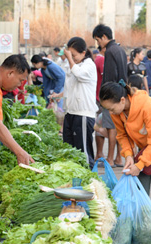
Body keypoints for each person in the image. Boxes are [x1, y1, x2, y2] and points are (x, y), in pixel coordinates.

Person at [99, 81, 151, 223]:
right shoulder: (117, 111)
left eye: (111, 109)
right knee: (141, 182)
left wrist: (140, 164)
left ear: (122, 100)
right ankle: (142, 223)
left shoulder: (147, 106)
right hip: (146, 145)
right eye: (108, 110)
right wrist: (129, 155)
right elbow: (122, 135)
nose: (110, 113)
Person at [51, 37, 97, 168]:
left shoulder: (89, 65)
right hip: (70, 112)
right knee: (70, 150)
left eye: (74, 55)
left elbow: (79, 74)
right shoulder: (75, 64)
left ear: (83, 53)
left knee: (83, 152)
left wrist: (70, 59)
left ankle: (89, 180)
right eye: (70, 54)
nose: (72, 58)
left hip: (83, 114)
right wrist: (59, 95)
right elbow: (70, 86)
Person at [92, 23, 126, 167]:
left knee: (112, 127)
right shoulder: (120, 49)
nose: (98, 43)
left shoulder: (110, 51)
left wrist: (107, 96)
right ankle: (118, 158)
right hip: (122, 93)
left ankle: (110, 159)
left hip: (112, 95)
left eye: (98, 40)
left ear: (104, 37)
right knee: (120, 127)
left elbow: (110, 76)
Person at [94, 46, 109, 161]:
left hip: (100, 97)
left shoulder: (98, 59)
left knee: (101, 124)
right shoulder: (101, 60)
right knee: (101, 124)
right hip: (102, 98)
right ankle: (99, 154)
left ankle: (99, 154)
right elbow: (106, 79)